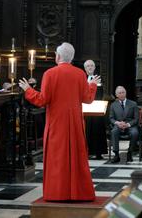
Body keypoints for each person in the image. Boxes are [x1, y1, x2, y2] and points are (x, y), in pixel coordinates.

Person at [19, 42, 100, 201]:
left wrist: (28, 90)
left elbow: (42, 100)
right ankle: (78, 192)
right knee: (76, 157)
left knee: (57, 158)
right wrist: (92, 85)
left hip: (56, 123)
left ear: (58, 56)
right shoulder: (79, 74)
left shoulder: (50, 73)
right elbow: (87, 99)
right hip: (75, 124)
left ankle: (57, 193)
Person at [108, 86, 139, 163]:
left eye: (123, 92)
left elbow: (136, 119)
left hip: (129, 125)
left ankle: (130, 153)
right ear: (116, 95)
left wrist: (128, 124)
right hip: (118, 125)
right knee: (114, 132)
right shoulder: (113, 105)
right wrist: (117, 123)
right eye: (119, 93)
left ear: (125, 93)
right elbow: (111, 118)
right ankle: (116, 155)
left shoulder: (133, 104)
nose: (121, 94)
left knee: (135, 133)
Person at [83, 59, 106, 160]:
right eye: (88, 66)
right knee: (86, 129)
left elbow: (102, 93)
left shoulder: (99, 78)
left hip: (97, 107)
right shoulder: (82, 78)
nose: (90, 67)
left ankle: (98, 152)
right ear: (85, 68)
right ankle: (86, 152)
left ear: (95, 67)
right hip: (86, 108)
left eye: (92, 65)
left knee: (97, 129)